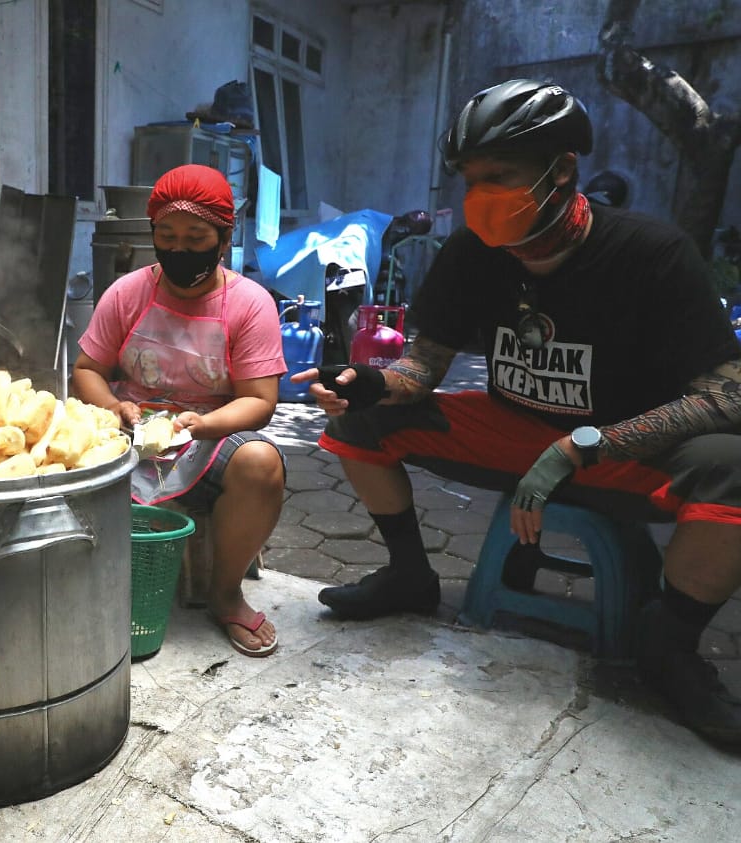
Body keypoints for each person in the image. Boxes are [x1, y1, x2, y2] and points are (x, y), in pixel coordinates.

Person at [296, 79, 741, 745]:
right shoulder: (472, 252)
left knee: (734, 468)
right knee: (357, 423)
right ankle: (410, 574)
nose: (479, 197)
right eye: (471, 180)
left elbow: (728, 394)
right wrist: (369, 385)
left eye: (499, 176)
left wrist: (588, 443)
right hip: (513, 430)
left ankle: (670, 646)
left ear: (562, 171)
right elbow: (420, 371)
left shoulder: (653, 255)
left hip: (625, 447)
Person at [73, 164, 286, 658]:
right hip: (131, 426)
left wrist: (203, 423)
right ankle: (90, 581)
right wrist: (113, 406)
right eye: (166, 235)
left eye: (196, 237)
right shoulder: (128, 292)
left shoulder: (249, 304)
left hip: (211, 431)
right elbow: (86, 370)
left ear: (224, 237)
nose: (180, 250)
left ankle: (225, 593)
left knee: (261, 465)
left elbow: (259, 400)